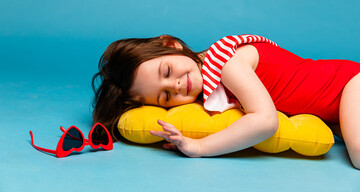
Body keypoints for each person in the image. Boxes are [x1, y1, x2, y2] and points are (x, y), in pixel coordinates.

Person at [92, 34, 360, 169]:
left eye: (167, 71)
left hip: (348, 84)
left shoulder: (225, 63)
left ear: (171, 45)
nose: (175, 85)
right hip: (334, 113)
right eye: (165, 97)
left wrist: (199, 147)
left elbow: (266, 121)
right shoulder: (206, 83)